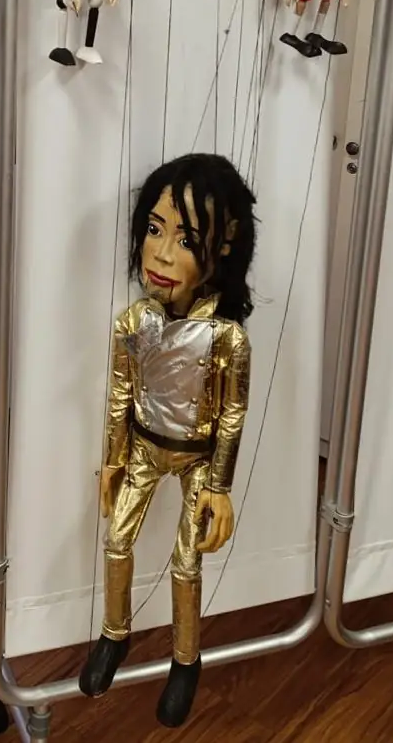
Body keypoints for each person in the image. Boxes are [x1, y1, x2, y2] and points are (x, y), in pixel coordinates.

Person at [80, 153, 257, 728]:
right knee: (116, 539)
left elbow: (232, 414)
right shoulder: (135, 323)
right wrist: (113, 459)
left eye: (185, 239)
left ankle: (186, 659)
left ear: (223, 245)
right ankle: (115, 633)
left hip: (198, 460)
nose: (160, 253)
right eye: (155, 230)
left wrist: (220, 487)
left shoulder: (227, 339)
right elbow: (119, 394)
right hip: (142, 448)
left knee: (186, 563)